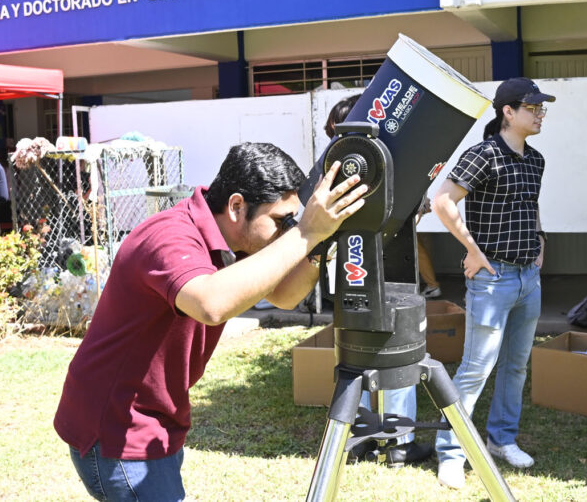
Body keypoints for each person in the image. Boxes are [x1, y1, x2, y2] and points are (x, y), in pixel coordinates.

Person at [54, 142, 368, 501]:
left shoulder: (223, 235)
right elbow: (211, 304)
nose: (286, 232)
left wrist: (318, 242)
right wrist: (306, 233)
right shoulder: (169, 236)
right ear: (236, 206)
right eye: (281, 221)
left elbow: (283, 294)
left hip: (155, 419)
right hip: (117, 428)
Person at [432, 77, 552, 489]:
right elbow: (442, 201)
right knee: (476, 368)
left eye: (541, 109)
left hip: (527, 278)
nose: (540, 114)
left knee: (516, 365)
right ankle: (451, 452)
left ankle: (501, 440)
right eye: (532, 108)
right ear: (508, 112)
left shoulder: (534, 160)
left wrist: (539, 241)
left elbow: (531, 207)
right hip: (491, 278)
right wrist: (472, 249)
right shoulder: (483, 155)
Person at [323, 93, 432, 467]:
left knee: (361, 360)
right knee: (386, 354)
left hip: (357, 277)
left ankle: (362, 438)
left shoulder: (335, 173)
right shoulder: (372, 170)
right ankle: (397, 442)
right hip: (369, 275)